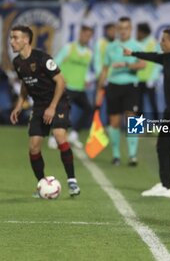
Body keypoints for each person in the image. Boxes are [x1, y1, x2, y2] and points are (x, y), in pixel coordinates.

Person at [124, 28, 170, 202]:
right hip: (169, 112)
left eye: (164, 40)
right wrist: (133, 53)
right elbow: (153, 56)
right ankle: (165, 187)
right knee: (162, 147)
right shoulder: (167, 59)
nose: (160, 42)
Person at [9, 25, 80, 197]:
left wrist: (52, 107)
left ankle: (72, 182)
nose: (12, 42)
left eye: (15, 38)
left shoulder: (42, 58)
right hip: (40, 105)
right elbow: (26, 84)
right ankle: (42, 183)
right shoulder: (17, 62)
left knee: (59, 136)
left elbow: (61, 82)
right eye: (11, 38)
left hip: (58, 101)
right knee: (33, 147)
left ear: (26, 40)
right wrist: (19, 104)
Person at [96, 16, 145, 166]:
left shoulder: (136, 45)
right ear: (117, 30)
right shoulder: (111, 47)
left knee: (133, 119)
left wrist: (126, 64)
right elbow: (104, 69)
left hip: (131, 85)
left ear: (130, 29)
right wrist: (99, 90)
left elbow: (143, 64)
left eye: (126, 28)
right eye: (121, 28)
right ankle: (116, 155)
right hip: (113, 85)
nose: (123, 31)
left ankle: (132, 155)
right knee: (114, 122)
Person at [48, 25, 94, 149]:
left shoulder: (89, 53)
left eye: (89, 36)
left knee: (89, 109)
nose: (86, 37)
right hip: (66, 88)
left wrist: (87, 79)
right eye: (85, 34)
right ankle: (53, 138)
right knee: (62, 113)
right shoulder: (69, 48)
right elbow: (55, 63)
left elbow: (87, 71)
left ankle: (74, 134)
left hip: (79, 89)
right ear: (80, 34)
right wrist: (60, 78)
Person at [136, 22, 161, 120]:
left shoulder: (153, 43)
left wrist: (153, 78)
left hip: (150, 80)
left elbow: (158, 62)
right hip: (138, 79)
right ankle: (136, 129)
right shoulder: (136, 43)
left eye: (138, 31)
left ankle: (156, 127)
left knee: (153, 104)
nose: (137, 34)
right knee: (137, 105)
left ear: (143, 32)